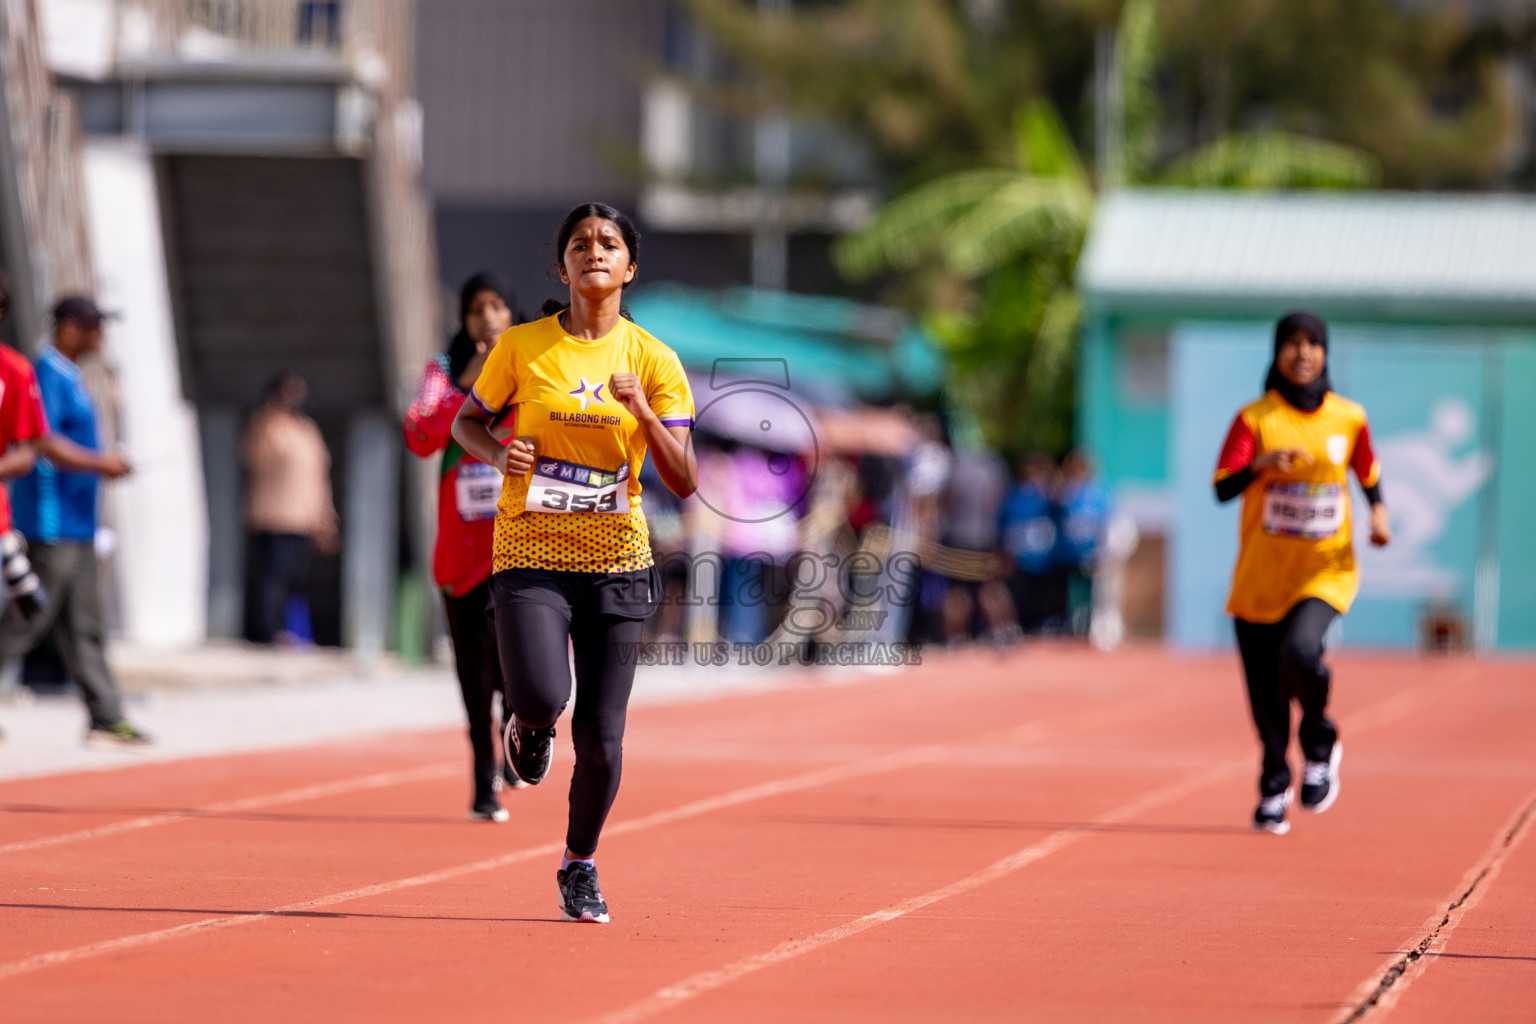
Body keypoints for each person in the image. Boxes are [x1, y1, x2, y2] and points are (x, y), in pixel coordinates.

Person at [452, 202, 696, 924]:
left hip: (618, 560)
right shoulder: (522, 347)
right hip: (530, 549)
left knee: (602, 738)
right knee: (538, 696)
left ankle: (579, 865)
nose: (595, 252)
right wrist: (502, 452)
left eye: (609, 243)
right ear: (561, 267)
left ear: (630, 267)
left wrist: (645, 416)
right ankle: (526, 728)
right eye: (581, 244)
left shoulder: (654, 360)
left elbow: (684, 478)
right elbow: (470, 420)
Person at [1213, 310, 1391, 835]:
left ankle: (1320, 741)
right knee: (1265, 695)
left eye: (1313, 344)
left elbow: (1368, 472)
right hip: (1260, 578)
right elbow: (1223, 487)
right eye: (1292, 343)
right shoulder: (1255, 419)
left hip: (1323, 572)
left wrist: (1379, 513)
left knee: (1301, 653)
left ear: (1325, 354)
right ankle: (1274, 784)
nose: (1303, 353)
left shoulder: (1348, 418)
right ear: (1277, 353)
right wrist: (1262, 464)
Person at [403, 271, 524, 822]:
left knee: (513, 670)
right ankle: (483, 782)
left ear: (512, 314)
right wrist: (466, 390)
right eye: (477, 308)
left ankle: (517, 735)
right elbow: (419, 434)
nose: (487, 317)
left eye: (497, 306)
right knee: (473, 676)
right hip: (460, 551)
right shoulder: (444, 370)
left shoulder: (534, 367)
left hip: (521, 546)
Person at [0, 295, 146, 745]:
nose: (101, 335)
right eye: (93, 326)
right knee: (28, 617)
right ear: (69, 327)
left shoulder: (75, 377)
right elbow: (41, 441)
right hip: (50, 520)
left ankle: (105, 714)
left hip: (80, 523)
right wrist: (101, 463)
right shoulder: (46, 372)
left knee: (86, 624)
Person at [242, 373, 338, 645]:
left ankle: (286, 630)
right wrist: (270, 415)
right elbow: (254, 458)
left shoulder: (307, 430)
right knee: (272, 578)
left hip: (303, 518)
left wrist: (325, 518)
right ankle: (267, 632)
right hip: (274, 517)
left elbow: (319, 477)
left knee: (294, 578)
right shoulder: (267, 425)